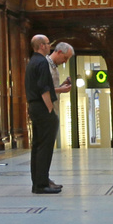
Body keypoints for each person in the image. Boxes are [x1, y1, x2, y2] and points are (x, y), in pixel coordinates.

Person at [25, 36, 73, 193]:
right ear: (41, 46)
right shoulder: (42, 63)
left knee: (38, 146)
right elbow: (44, 88)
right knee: (45, 147)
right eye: (47, 44)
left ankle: (40, 181)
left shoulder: (33, 61)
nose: (49, 46)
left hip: (35, 107)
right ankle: (41, 184)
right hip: (43, 109)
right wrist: (50, 109)